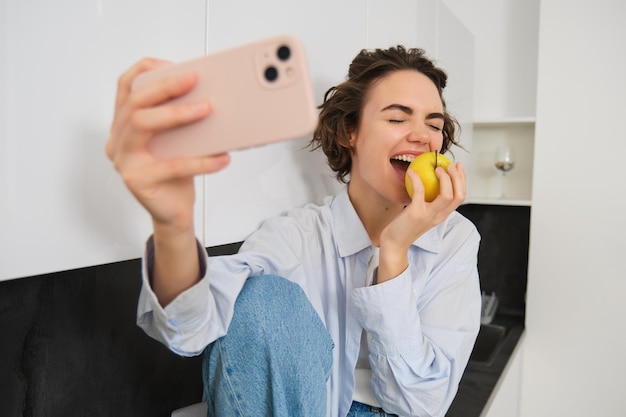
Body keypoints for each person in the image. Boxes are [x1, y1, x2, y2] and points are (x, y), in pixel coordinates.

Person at [106, 45, 481, 417]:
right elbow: (190, 327)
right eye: (398, 119)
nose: (423, 136)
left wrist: (395, 250)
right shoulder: (298, 235)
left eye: (434, 124)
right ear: (349, 132)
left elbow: (421, 405)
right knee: (261, 298)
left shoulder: (454, 240)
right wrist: (174, 225)